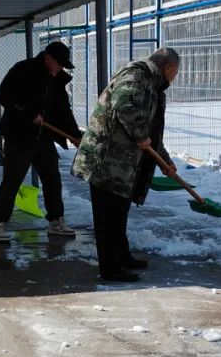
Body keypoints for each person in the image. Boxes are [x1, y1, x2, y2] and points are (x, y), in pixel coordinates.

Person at [72, 46, 181, 282]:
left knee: (118, 213)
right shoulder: (137, 74)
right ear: (168, 67)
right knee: (108, 216)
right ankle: (109, 268)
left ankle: (121, 257)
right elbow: (125, 104)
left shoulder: (153, 86)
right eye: (176, 72)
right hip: (106, 160)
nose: (174, 78)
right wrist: (141, 134)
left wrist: (164, 160)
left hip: (121, 164)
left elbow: (151, 132)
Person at [0, 40, 83, 243]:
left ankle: (56, 221)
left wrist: (75, 135)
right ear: (48, 58)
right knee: (12, 180)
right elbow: (3, 95)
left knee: (52, 178)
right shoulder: (23, 69)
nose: (60, 69)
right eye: (59, 64)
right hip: (19, 134)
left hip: (43, 136)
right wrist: (26, 112)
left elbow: (63, 110)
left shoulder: (56, 79)